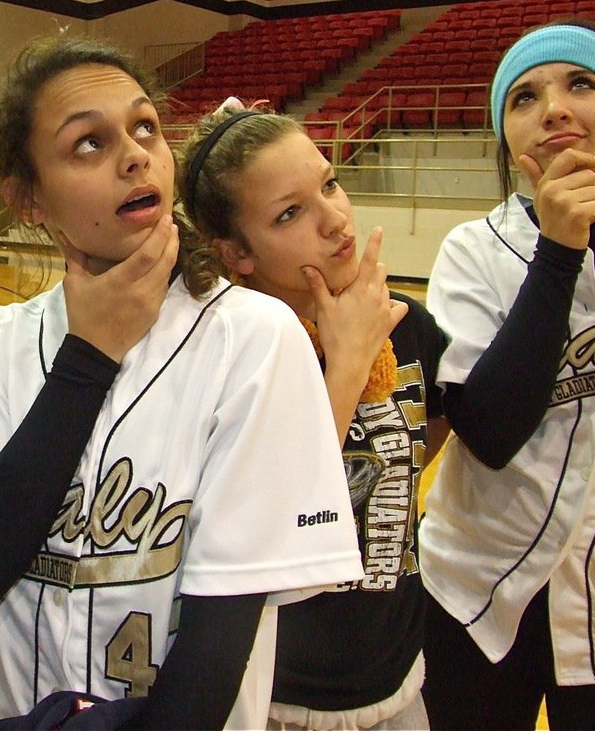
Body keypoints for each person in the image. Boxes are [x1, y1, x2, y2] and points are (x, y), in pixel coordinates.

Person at [0, 35, 363, 729]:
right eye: (87, 144)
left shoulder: (253, 339)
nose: (134, 153)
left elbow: (215, 657)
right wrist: (89, 358)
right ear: (28, 199)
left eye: (144, 129)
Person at [420, 19, 595, 729]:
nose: (552, 107)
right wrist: (558, 251)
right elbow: (487, 433)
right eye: (523, 97)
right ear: (507, 139)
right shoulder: (475, 252)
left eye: (581, 83)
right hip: (473, 606)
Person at [178, 99, 450, 730]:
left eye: (329, 183)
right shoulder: (225, 356)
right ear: (238, 254)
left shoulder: (406, 326)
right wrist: (347, 368)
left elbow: (423, 438)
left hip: (399, 680)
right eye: (291, 213)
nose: (334, 220)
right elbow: (272, 527)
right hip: (279, 697)